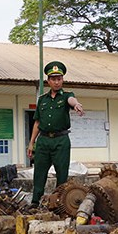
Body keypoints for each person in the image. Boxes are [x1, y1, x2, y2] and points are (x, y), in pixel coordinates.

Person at [27, 61, 85, 207]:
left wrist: (76, 104)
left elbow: (72, 100)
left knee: (62, 174)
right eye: (53, 79)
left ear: (62, 80)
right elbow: (37, 123)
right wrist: (31, 142)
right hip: (43, 141)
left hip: (61, 141)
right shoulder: (42, 100)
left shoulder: (66, 96)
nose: (57, 82)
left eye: (59, 79)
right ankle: (35, 201)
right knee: (39, 172)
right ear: (48, 81)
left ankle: (59, 202)